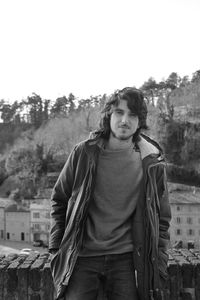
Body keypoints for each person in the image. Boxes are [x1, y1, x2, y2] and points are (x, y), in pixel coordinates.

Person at [49, 87, 171, 300]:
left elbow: (162, 218)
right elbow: (60, 199)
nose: (125, 120)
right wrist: (56, 250)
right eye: (119, 112)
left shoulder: (152, 162)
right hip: (82, 257)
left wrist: (159, 260)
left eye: (133, 115)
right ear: (109, 115)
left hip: (127, 260)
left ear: (140, 120)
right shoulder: (84, 153)